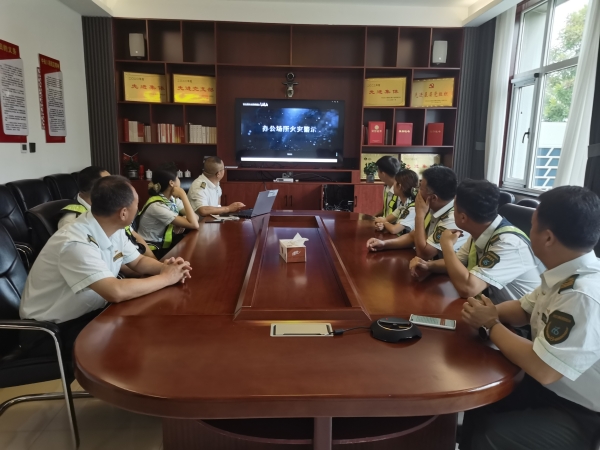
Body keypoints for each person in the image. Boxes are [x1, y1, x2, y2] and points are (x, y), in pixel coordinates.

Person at [460, 186, 600, 450]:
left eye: (532, 226)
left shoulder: (583, 293)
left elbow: (545, 369)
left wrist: (490, 324)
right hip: (545, 390)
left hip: (579, 412)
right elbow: (524, 309)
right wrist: (484, 311)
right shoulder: (565, 273)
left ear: (547, 238)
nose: (527, 232)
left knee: (489, 435)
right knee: (476, 405)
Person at [19, 176, 192, 359]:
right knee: (139, 341)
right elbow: (115, 291)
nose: (138, 208)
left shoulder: (111, 227)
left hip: (92, 314)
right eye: (137, 204)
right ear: (123, 213)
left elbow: (138, 261)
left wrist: (166, 268)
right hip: (51, 332)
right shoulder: (75, 242)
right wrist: (166, 278)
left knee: (148, 325)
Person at [409, 179, 542, 303]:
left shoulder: (509, 244)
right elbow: (457, 262)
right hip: (490, 309)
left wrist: (446, 245)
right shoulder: (482, 231)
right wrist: (428, 265)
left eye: (454, 208)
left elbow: (468, 288)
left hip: (523, 320)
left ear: (463, 218)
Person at [366, 165, 469, 259]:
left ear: (433, 198)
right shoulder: (432, 208)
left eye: (421, 188)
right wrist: (384, 244)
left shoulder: (453, 219)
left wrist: (419, 215)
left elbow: (424, 254)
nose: (416, 191)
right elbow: (412, 236)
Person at [59, 165, 156, 260]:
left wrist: (154, 261)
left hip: (133, 257)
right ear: (98, 188)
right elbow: (105, 259)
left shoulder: (112, 205)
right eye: (109, 182)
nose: (115, 185)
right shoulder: (71, 221)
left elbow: (134, 235)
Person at [137, 169, 199, 257]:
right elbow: (194, 224)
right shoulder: (157, 206)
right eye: (178, 178)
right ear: (171, 183)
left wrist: (184, 220)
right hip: (152, 250)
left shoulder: (171, 199)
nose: (180, 181)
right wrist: (183, 195)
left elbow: (195, 217)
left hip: (165, 244)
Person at [374, 168, 418, 236]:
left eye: (395, 182)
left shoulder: (412, 208)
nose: (393, 186)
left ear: (399, 186)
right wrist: (381, 225)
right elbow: (386, 219)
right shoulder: (403, 205)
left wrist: (384, 222)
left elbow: (394, 230)